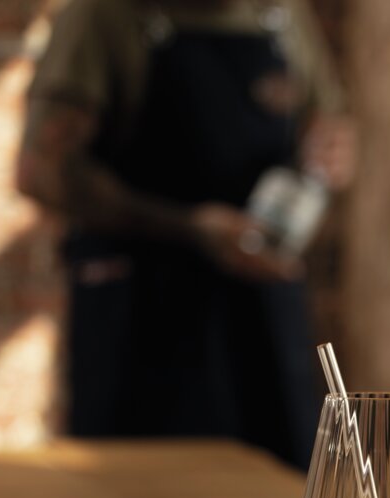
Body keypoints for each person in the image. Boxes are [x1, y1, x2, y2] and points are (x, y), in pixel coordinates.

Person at [17, 0, 354, 469]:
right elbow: (41, 171)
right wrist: (189, 228)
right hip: (142, 318)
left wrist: (329, 152)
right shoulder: (103, 16)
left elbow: (326, 122)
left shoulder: (282, 14)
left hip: (263, 313)